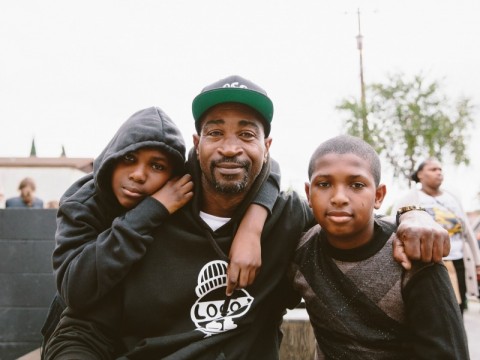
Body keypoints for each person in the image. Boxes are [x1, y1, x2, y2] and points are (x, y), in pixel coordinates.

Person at [44, 75, 450, 360]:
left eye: (247, 134)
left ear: (267, 145)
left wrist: (415, 215)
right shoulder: (153, 211)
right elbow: (82, 322)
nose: (231, 148)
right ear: (197, 144)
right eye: (216, 133)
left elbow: (354, 222)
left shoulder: (290, 218)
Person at [41, 105, 275, 350]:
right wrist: (152, 209)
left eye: (157, 166)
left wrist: (253, 223)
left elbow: (264, 166)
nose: (139, 175)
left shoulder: (181, 193)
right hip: (81, 332)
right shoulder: (83, 203)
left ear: (174, 176)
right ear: (112, 156)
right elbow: (75, 291)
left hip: (136, 332)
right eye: (129, 159)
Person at [290, 135, 469, 359]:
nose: (338, 198)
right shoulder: (300, 251)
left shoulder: (413, 253)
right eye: (324, 184)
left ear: (379, 195)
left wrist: (413, 212)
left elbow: (447, 351)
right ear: (308, 193)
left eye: (357, 185)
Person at [392, 157, 480, 314]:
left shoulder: (453, 197)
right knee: (434, 310)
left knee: (458, 309)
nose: (439, 172)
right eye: (433, 169)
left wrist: (477, 262)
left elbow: (467, 232)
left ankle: (457, 337)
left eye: (440, 169)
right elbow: (397, 229)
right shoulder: (409, 199)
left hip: (459, 260)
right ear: (420, 175)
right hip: (429, 261)